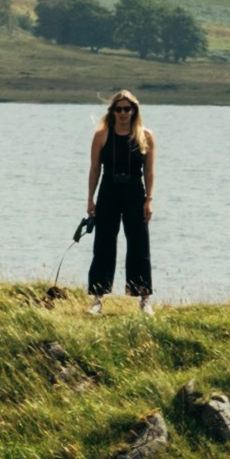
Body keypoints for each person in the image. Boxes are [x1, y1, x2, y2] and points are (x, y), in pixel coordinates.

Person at [82, 86, 154, 301]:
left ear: (134, 110)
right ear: (112, 111)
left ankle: (143, 298)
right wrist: (90, 199)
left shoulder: (146, 136)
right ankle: (98, 298)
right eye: (118, 109)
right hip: (108, 191)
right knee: (104, 244)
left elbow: (149, 171)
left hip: (134, 191)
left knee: (139, 244)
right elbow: (94, 168)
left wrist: (148, 200)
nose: (123, 113)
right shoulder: (102, 135)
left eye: (127, 109)